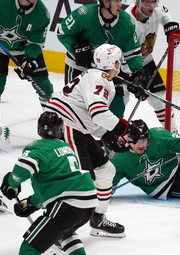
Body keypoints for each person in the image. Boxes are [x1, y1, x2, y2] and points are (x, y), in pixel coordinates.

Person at [44, 44, 141, 238]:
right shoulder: (101, 79)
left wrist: (110, 136)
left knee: (106, 171)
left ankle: (97, 219)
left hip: (77, 126)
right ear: (113, 63)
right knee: (81, 181)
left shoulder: (95, 76)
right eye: (118, 60)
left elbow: (89, 117)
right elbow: (97, 113)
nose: (120, 64)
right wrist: (125, 129)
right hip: (66, 126)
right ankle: (58, 231)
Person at [0, 111, 98, 254]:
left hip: (67, 204)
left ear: (39, 130)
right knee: (66, 234)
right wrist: (32, 203)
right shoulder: (66, 148)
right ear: (60, 132)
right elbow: (58, 184)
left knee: (29, 248)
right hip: (87, 205)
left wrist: (11, 184)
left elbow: (24, 168)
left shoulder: (37, 147)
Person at [57, 0, 144, 118]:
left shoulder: (126, 22)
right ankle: (76, 135)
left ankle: (111, 135)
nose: (120, 5)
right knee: (75, 105)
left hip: (108, 69)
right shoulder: (85, 15)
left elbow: (132, 51)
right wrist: (75, 47)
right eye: (116, 1)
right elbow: (62, 33)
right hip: (80, 67)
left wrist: (137, 73)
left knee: (117, 106)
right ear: (105, 2)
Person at [124, 0, 180, 133]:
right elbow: (121, 54)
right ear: (137, 3)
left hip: (146, 61)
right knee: (120, 101)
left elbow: (165, 15)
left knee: (160, 100)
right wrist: (137, 76)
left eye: (153, 2)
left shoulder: (157, 9)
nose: (151, 6)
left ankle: (174, 134)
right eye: (147, 2)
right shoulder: (127, 21)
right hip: (125, 66)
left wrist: (170, 27)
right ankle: (112, 138)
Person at [0, 0, 54, 108]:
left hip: (24, 49)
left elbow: (35, 44)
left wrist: (30, 59)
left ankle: (51, 117)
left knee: (44, 88)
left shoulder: (42, 14)